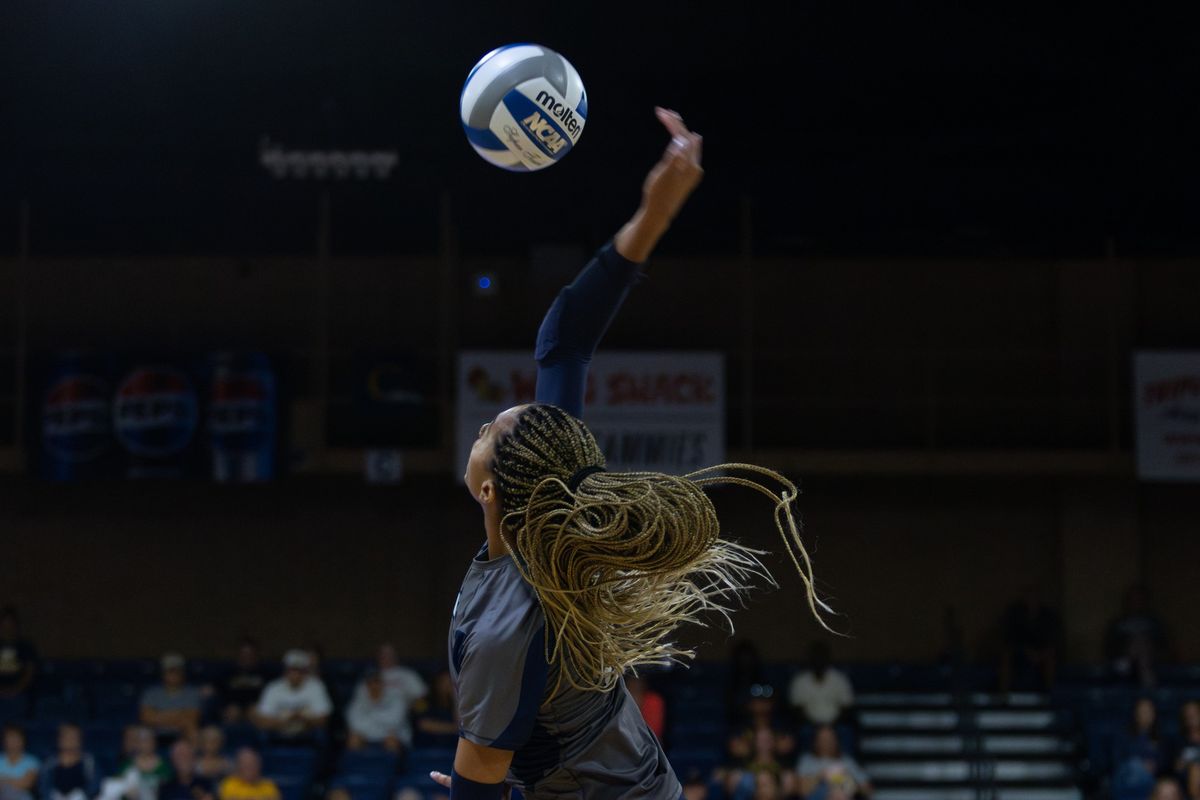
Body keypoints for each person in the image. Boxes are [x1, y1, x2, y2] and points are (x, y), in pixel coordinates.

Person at [429, 108, 829, 800]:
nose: (483, 427)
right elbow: (566, 340)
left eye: (490, 427)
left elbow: (481, 775)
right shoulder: (554, 522)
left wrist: (480, 785)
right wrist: (654, 214)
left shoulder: (512, 620)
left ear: (494, 489)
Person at [250, 650, 331, 739]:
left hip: (307, 734)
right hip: (278, 733)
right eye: (292, 670)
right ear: (285, 671)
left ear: (305, 672)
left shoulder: (316, 686)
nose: (295, 674)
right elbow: (263, 720)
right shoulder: (273, 687)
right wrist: (284, 722)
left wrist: (303, 720)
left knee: (321, 735)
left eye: (299, 670)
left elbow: (324, 719)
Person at [1106, 585, 1169, 688]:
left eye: (1140, 599)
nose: (1136, 602)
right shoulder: (1117, 624)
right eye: (1133, 599)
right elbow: (1109, 650)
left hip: (1152, 663)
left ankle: (1147, 683)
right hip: (1123, 665)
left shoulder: (1155, 623)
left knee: (1141, 643)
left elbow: (1165, 648)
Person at [796, 725, 872, 800]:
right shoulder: (807, 761)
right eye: (822, 739)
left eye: (830, 738)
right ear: (815, 741)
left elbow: (868, 790)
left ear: (836, 740)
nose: (826, 742)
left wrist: (848, 781)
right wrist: (820, 776)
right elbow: (802, 791)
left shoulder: (847, 761)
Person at [788, 642, 855, 726]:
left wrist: (830, 726)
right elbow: (796, 709)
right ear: (810, 658)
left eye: (822, 657)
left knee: (845, 731)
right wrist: (815, 726)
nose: (819, 660)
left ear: (828, 658)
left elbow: (847, 708)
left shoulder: (840, 679)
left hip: (836, 725)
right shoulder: (800, 681)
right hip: (809, 726)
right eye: (816, 657)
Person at [140, 653, 204, 741]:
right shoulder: (151, 692)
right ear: (163, 673)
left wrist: (159, 715)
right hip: (156, 732)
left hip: (182, 732)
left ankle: (195, 754)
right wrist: (179, 714)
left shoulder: (192, 693)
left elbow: (192, 718)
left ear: (183, 673)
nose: (173, 675)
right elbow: (146, 718)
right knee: (137, 731)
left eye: (177, 671)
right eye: (170, 671)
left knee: (192, 728)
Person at [99, 726, 170, 800]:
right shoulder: (127, 764)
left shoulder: (165, 766)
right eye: (140, 740)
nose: (143, 743)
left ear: (154, 742)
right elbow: (116, 790)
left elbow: (169, 791)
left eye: (147, 739)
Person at [345, 668, 405, 752]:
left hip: (388, 735)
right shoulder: (358, 700)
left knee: (391, 741)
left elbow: (394, 720)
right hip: (366, 734)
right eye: (369, 683)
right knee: (353, 739)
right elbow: (354, 723)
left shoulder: (396, 698)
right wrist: (382, 717)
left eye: (376, 682)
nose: (373, 685)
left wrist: (369, 715)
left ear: (382, 683)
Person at [38, 723, 98, 800]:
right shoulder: (50, 762)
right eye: (66, 736)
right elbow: (43, 787)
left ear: (80, 740)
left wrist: (83, 795)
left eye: (73, 737)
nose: (69, 740)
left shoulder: (89, 761)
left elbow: (95, 785)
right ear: (59, 740)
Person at [219, 640, 269, 725]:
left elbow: (270, 691)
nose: (247, 657)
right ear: (238, 655)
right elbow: (218, 689)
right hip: (234, 704)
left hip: (256, 704)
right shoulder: (228, 671)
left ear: (256, 655)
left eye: (250, 654)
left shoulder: (264, 671)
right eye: (244, 654)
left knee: (255, 712)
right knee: (233, 712)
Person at [0, 609, 36, 721]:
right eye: (5, 624)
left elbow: (30, 673)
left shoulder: (25, 646)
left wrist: (15, 690)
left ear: (16, 626)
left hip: (19, 695)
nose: (8, 628)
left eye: (10, 624)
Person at [413, 670, 459, 749]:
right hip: (428, 745)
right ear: (436, 683)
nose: (447, 686)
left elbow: (461, 725)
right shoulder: (424, 701)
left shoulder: (457, 702)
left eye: (450, 682)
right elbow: (424, 725)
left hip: (451, 745)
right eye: (444, 682)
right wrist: (453, 728)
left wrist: (455, 697)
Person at [0, 726, 39, 800]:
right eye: (10, 738)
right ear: (4, 741)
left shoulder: (32, 761)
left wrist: (4, 780)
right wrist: (17, 781)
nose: (13, 742)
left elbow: (26, 784)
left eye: (16, 738)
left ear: (23, 740)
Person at [1172, 701, 1200, 797]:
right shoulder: (1178, 741)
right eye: (1188, 714)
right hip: (1186, 779)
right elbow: (1176, 766)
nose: (1191, 717)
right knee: (1195, 770)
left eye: (1194, 713)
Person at [626, 675, 666, 740]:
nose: (635, 684)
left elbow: (653, 733)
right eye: (632, 681)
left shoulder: (653, 701)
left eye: (638, 681)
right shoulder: (620, 700)